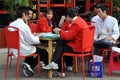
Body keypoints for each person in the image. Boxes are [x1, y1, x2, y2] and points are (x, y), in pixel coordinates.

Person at [42, 7, 88, 77]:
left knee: (60, 49)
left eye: (66, 16)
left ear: (68, 16)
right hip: (84, 45)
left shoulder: (76, 23)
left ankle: (59, 69)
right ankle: (55, 63)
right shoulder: (79, 20)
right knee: (61, 43)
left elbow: (68, 36)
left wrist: (60, 31)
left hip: (79, 47)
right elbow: (69, 33)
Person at [9, 7, 48, 77]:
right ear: (24, 14)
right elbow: (32, 40)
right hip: (22, 50)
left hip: (14, 50)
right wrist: (37, 36)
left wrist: (31, 36)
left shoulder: (11, 25)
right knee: (43, 52)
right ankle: (29, 66)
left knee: (31, 47)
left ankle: (27, 65)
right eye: (27, 15)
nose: (28, 17)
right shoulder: (24, 26)